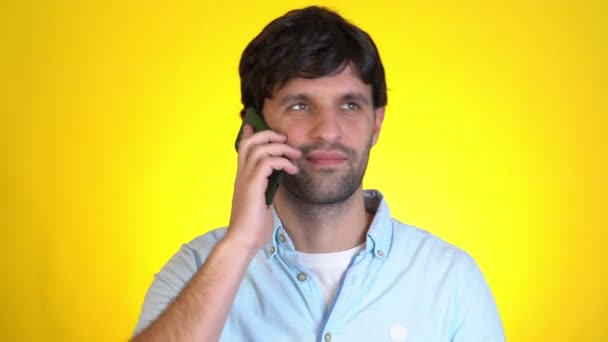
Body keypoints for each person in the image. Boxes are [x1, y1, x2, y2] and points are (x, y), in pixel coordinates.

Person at [132, 6, 504, 342]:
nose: (327, 130)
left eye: (350, 105)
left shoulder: (451, 279)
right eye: (299, 105)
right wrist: (240, 245)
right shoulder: (197, 269)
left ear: (376, 123)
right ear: (253, 128)